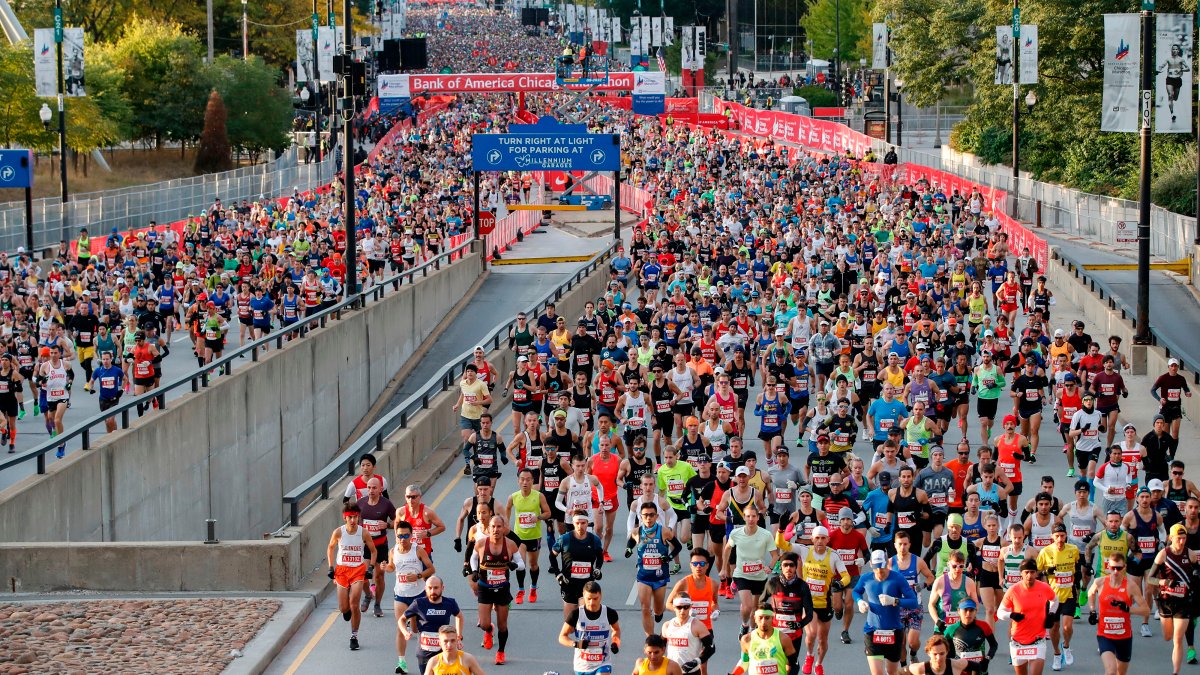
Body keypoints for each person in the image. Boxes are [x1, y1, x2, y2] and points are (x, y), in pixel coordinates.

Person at [854, 549, 921, 675]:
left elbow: (913, 602)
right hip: (872, 631)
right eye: (876, 568)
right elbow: (856, 591)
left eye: (883, 567)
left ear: (887, 564)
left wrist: (895, 600)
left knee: (892, 672)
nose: (880, 571)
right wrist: (859, 602)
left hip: (894, 631)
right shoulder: (865, 578)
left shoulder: (898, 578)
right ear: (871, 565)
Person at [383, 519, 436, 673]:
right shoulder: (393, 551)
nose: (403, 539)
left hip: (418, 595)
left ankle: (427, 659)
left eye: (406, 536)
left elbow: (431, 569)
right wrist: (386, 567)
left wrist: (419, 575)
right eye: (400, 536)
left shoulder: (418, 550)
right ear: (396, 536)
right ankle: (402, 662)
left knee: (418, 629)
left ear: (411, 536)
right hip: (400, 595)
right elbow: (392, 567)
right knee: (400, 628)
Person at [1086, 552, 1150, 675]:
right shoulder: (1100, 582)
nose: (1115, 571)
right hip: (1105, 635)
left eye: (1119, 568)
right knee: (1110, 671)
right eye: (1112, 568)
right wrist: (1093, 610)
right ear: (1108, 566)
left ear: (1124, 567)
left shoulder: (1131, 586)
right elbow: (1090, 593)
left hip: (1124, 637)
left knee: (1120, 673)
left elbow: (1146, 610)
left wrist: (1128, 609)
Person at [469, 515, 521, 665]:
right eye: (493, 526)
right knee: (484, 623)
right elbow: (473, 558)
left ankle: (501, 652)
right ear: (489, 528)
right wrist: (474, 571)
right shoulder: (480, 543)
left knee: (503, 625)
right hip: (485, 588)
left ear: (503, 528)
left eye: (499, 526)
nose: (496, 529)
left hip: (503, 588)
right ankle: (488, 630)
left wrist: (514, 565)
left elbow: (522, 564)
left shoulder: (510, 544)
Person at [327, 503, 378, 651]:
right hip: (342, 571)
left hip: (357, 570)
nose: (352, 520)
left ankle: (354, 636)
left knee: (354, 603)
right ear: (345, 518)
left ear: (358, 517)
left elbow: (373, 551)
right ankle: (346, 610)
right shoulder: (338, 532)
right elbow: (330, 548)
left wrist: (371, 567)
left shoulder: (363, 533)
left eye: (355, 517)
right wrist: (331, 567)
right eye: (350, 517)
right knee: (344, 608)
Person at [1148, 523, 1196, 675]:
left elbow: (1197, 573)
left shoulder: (1190, 554)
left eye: (1184, 538)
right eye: (1178, 539)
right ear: (1171, 538)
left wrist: (1195, 576)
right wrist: (1162, 582)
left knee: (1178, 639)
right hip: (1166, 601)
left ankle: (1176, 672)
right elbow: (1150, 579)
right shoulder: (1163, 554)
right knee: (1168, 637)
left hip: (1183, 603)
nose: (1182, 542)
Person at [631, 501, 684, 637]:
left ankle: (658, 613)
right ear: (641, 517)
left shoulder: (664, 531)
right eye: (645, 515)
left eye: (652, 515)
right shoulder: (637, 531)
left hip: (660, 577)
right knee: (644, 609)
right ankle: (650, 637)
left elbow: (678, 546)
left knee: (659, 609)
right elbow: (631, 540)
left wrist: (669, 557)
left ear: (656, 516)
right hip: (643, 576)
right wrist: (628, 548)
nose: (648, 518)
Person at [998, 558, 1058, 675]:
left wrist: (1051, 614)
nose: (1029, 575)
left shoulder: (1044, 587)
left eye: (1032, 572)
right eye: (1026, 572)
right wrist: (1011, 615)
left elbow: (1055, 600)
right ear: (1021, 573)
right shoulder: (1013, 590)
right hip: (1018, 642)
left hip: (1038, 640)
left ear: (1036, 573)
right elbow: (1000, 612)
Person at [1034, 524, 1081, 670]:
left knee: (1067, 627)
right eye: (1057, 536)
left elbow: (1077, 565)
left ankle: (1066, 645)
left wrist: (1078, 573)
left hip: (1069, 594)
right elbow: (1036, 572)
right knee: (1054, 628)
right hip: (1052, 597)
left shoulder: (1073, 550)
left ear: (1066, 535)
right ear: (1052, 537)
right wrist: (1047, 571)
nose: (1060, 539)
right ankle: (1056, 653)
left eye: (1062, 536)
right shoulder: (1045, 552)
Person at [725, 504, 778, 632]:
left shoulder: (766, 535)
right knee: (747, 606)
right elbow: (727, 548)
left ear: (758, 518)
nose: (751, 519)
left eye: (753, 516)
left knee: (755, 608)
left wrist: (770, 567)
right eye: (748, 516)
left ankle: (753, 631)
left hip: (759, 577)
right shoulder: (736, 533)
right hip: (741, 575)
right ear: (744, 517)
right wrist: (723, 568)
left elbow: (775, 555)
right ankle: (744, 625)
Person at [505, 468, 552, 604]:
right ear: (518, 481)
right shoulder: (513, 497)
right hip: (519, 536)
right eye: (522, 479)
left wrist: (537, 517)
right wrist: (507, 524)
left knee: (533, 564)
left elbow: (548, 513)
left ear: (532, 481)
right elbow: (507, 508)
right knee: (521, 564)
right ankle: (521, 590)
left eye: (528, 479)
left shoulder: (538, 496)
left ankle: (533, 588)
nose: (525, 482)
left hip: (534, 536)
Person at [558, 580, 622, 675]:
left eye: (595, 599)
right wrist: (576, 644)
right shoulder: (575, 614)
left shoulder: (609, 613)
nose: (592, 602)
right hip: (582, 665)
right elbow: (562, 637)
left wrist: (615, 642)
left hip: (602, 663)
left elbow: (616, 629)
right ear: (583, 596)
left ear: (600, 595)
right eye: (588, 599)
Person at [401, 576, 462, 675]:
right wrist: (405, 632)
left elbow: (459, 617)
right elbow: (402, 619)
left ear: (442, 588)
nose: (433, 591)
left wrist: (459, 636)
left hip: (444, 650)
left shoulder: (450, 603)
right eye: (430, 588)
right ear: (425, 588)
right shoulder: (418, 603)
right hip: (424, 652)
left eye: (436, 588)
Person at [359, 477, 398, 618]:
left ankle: (377, 605)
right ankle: (368, 595)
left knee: (379, 576)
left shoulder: (386, 504)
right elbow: (355, 520)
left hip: (381, 545)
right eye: (369, 487)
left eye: (374, 488)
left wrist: (387, 525)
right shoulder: (361, 503)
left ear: (380, 489)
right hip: (366, 546)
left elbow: (397, 521)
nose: (371, 491)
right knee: (362, 575)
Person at [730, 606, 797, 675]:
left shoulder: (783, 639)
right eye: (760, 618)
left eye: (767, 618)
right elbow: (744, 662)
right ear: (755, 619)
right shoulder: (746, 639)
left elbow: (794, 665)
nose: (763, 622)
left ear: (772, 619)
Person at [660, 594, 715, 675]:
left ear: (690, 607)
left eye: (686, 607)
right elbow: (660, 647)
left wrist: (696, 662)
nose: (682, 611)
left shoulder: (697, 625)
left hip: (691, 672)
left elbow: (711, 648)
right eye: (679, 607)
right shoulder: (667, 626)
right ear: (674, 607)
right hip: (671, 671)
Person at [454, 364, 493, 475]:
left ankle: (479, 461)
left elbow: (490, 400)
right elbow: (463, 394)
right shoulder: (463, 383)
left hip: (478, 417)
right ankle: (467, 464)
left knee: (477, 441)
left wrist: (478, 402)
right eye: (468, 371)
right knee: (466, 437)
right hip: (465, 415)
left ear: (476, 373)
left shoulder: (481, 385)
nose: (469, 373)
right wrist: (457, 404)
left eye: (472, 371)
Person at [942, 598, 997, 674]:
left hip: (979, 668)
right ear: (958, 611)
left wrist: (987, 659)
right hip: (960, 669)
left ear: (975, 612)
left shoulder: (984, 626)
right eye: (965, 610)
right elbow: (943, 649)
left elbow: (994, 644)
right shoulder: (951, 629)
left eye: (971, 610)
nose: (968, 613)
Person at [905, 634, 983, 675]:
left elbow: (977, 666)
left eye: (942, 653)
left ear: (947, 652)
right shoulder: (920, 669)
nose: (939, 658)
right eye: (935, 654)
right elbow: (898, 672)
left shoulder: (956, 665)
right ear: (928, 653)